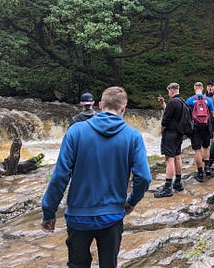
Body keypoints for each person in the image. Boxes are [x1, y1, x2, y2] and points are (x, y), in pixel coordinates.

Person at [41, 86, 151, 268]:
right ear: (123, 108)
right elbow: (144, 178)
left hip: (78, 217)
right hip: (112, 216)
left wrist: (49, 212)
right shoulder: (133, 136)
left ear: (100, 105)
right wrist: (131, 202)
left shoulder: (75, 131)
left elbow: (60, 175)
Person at [155, 82, 187, 198]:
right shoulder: (182, 102)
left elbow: (165, 120)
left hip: (170, 134)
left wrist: (162, 131)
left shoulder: (173, 102)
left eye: (169, 91)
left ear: (172, 91)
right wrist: (163, 103)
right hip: (179, 134)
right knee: (177, 157)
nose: (168, 94)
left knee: (169, 159)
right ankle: (178, 183)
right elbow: (170, 111)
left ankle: (167, 188)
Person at [185, 82, 214, 182]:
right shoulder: (208, 100)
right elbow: (213, 115)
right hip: (206, 126)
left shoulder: (190, 100)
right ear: (202, 88)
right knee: (206, 147)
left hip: (195, 127)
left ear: (194, 88)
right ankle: (207, 168)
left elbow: (185, 114)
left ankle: (200, 173)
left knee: (197, 149)